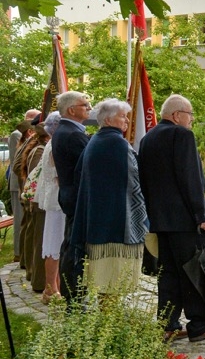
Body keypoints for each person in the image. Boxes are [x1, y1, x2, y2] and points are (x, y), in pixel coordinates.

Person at [139, 94, 205, 343]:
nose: (191, 120)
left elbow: (145, 182)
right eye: (190, 114)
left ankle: (167, 325)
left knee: (168, 273)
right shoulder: (182, 135)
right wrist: (201, 215)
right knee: (194, 271)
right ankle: (200, 325)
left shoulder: (147, 138)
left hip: (161, 221)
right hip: (185, 221)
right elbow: (190, 179)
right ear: (177, 115)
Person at [70, 99, 148, 295]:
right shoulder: (116, 143)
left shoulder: (96, 140)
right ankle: (109, 317)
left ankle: (109, 316)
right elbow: (136, 179)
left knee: (105, 279)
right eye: (123, 116)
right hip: (115, 224)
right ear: (109, 119)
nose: (127, 121)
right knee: (111, 278)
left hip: (98, 219)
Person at [52, 91, 92, 302]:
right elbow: (88, 165)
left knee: (71, 245)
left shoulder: (66, 130)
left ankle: (73, 293)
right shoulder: (72, 134)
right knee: (75, 248)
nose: (89, 108)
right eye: (85, 105)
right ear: (71, 110)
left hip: (70, 195)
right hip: (77, 197)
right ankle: (74, 296)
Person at [35, 112, 63, 303]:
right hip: (57, 201)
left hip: (53, 199)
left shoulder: (50, 144)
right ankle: (51, 289)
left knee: (54, 245)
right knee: (54, 246)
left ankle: (54, 286)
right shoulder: (55, 145)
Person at [20, 115, 50, 295]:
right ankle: (39, 280)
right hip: (39, 202)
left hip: (38, 201)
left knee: (38, 239)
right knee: (40, 242)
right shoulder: (39, 150)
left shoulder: (39, 148)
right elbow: (36, 178)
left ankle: (35, 275)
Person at [8, 109, 40, 265]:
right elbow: (17, 161)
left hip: (25, 182)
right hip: (19, 182)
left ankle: (22, 253)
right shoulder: (16, 135)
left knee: (24, 220)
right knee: (20, 219)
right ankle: (18, 253)